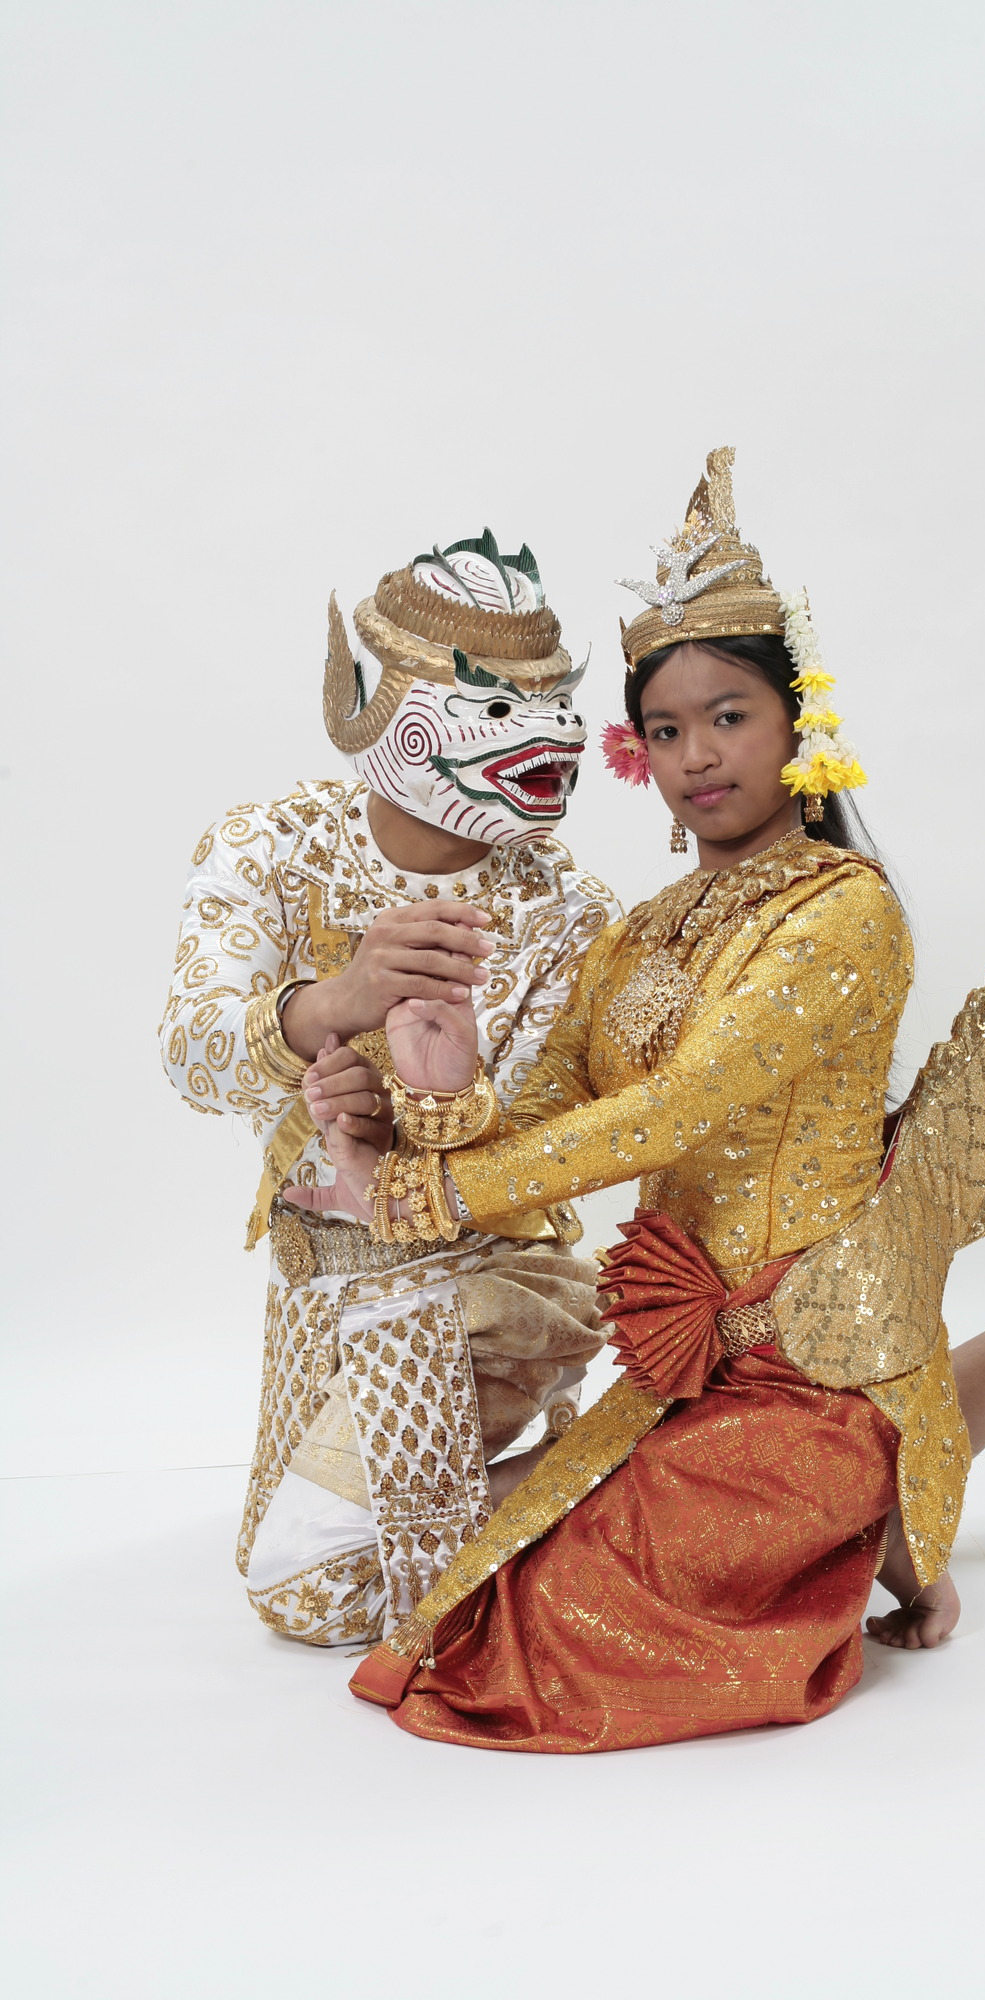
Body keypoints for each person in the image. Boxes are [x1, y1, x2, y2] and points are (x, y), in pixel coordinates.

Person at [288, 447, 985, 1749]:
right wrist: (435, 1086)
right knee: (470, 1580)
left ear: (799, 721)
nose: (699, 754)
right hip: (683, 1364)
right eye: (669, 728)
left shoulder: (840, 911)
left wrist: (439, 1190)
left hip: (818, 1360)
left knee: (572, 1632)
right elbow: (554, 1109)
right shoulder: (641, 935)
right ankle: (889, 1521)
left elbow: (678, 1111)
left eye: (730, 716)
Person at [159, 531, 619, 1645]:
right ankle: (609, 1478)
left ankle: (619, 1477)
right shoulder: (272, 843)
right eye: (499, 707)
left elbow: (554, 1140)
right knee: (296, 1561)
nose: (549, 734)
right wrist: (333, 1002)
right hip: (323, 1273)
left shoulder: (569, 912)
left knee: (308, 1592)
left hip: (494, 1276)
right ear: (394, 712)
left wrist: (434, 1103)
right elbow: (191, 1053)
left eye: (554, 700)